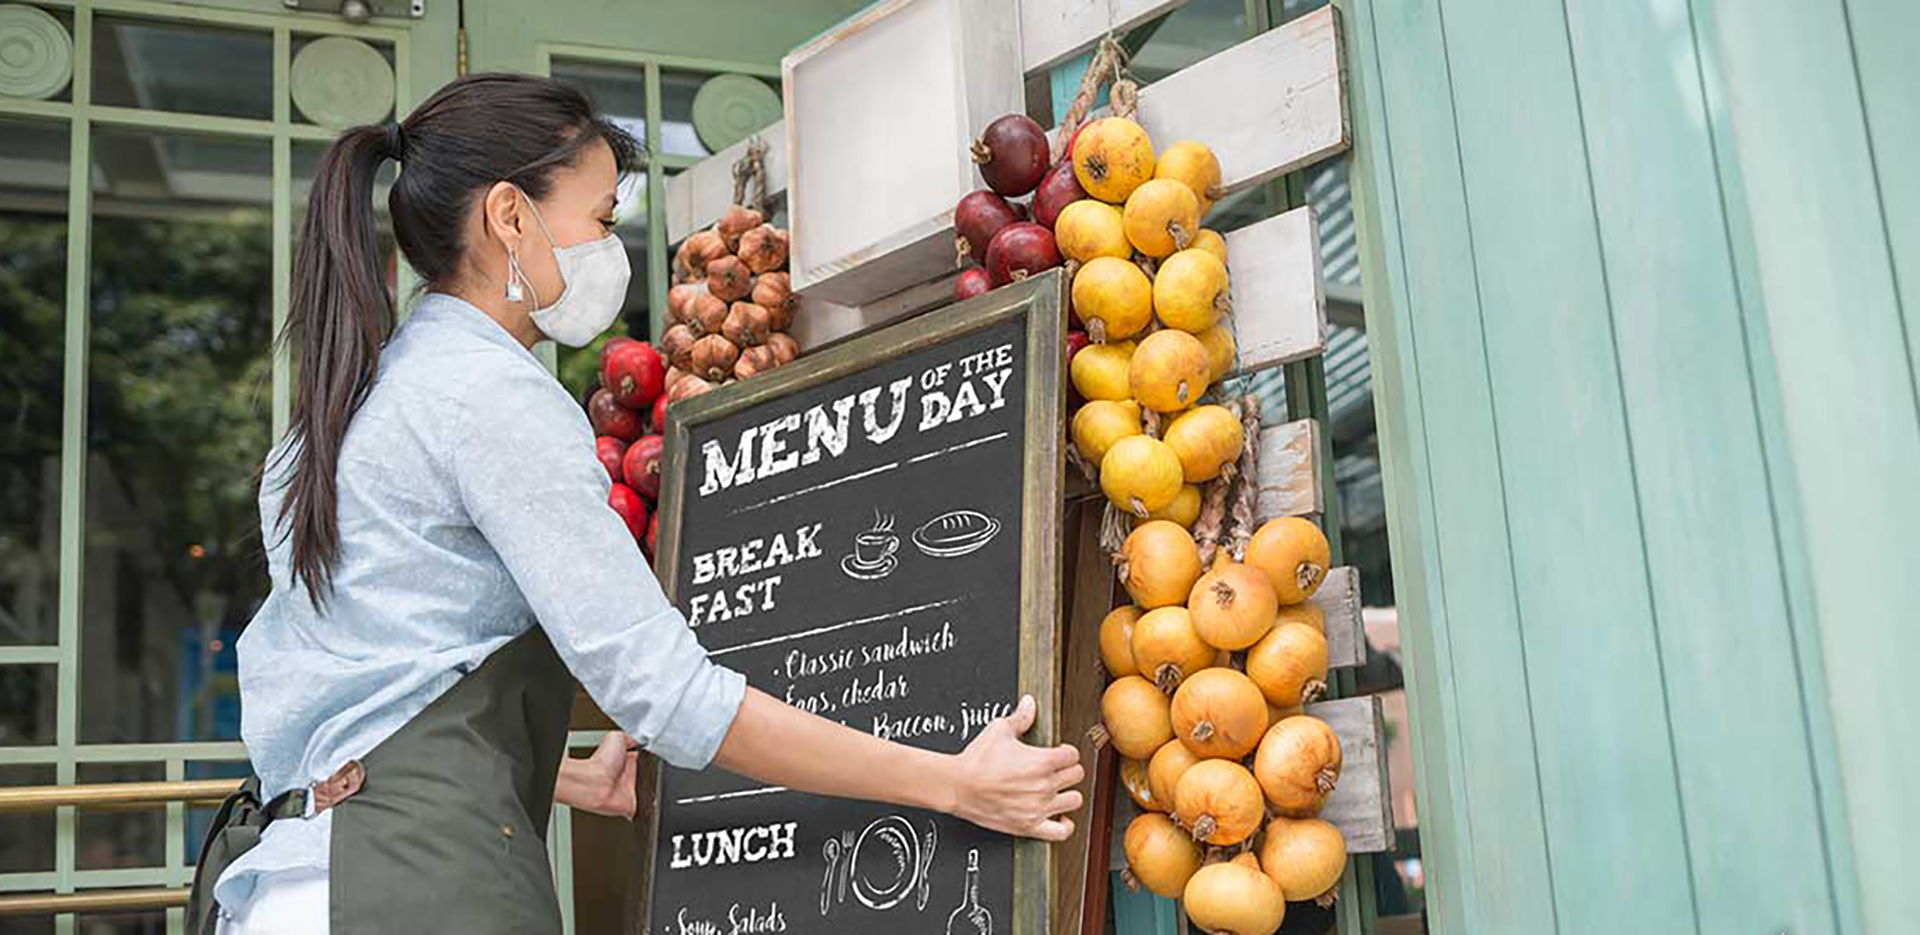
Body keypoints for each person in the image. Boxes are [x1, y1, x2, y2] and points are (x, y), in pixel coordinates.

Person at [185, 73, 1084, 935]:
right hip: (412, 891)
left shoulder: (337, 411)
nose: (609, 248)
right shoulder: (491, 397)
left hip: (292, 881)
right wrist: (953, 783)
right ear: (509, 214)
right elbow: (668, 694)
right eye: (601, 218)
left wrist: (555, 774)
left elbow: (369, 681)